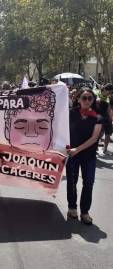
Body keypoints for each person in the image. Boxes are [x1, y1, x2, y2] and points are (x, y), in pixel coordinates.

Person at [66, 87, 102, 225]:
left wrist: (78, 149)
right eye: (84, 98)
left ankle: (85, 212)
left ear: (93, 100)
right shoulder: (70, 113)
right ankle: (72, 208)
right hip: (72, 155)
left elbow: (94, 138)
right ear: (78, 99)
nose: (87, 101)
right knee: (71, 182)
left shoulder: (98, 118)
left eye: (90, 98)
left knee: (88, 183)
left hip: (89, 156)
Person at [96, 83, 113, 154]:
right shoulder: (97, 93)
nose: (110, 93)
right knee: (99, 133)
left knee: (108, 133)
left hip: (107, 117)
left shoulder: (109, 97)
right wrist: (97, 99)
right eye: (109, 92)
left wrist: (111, 118)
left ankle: (105, 149)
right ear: (105, 90)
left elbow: (109, 108)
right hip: (99, 117)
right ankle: (95, 146)